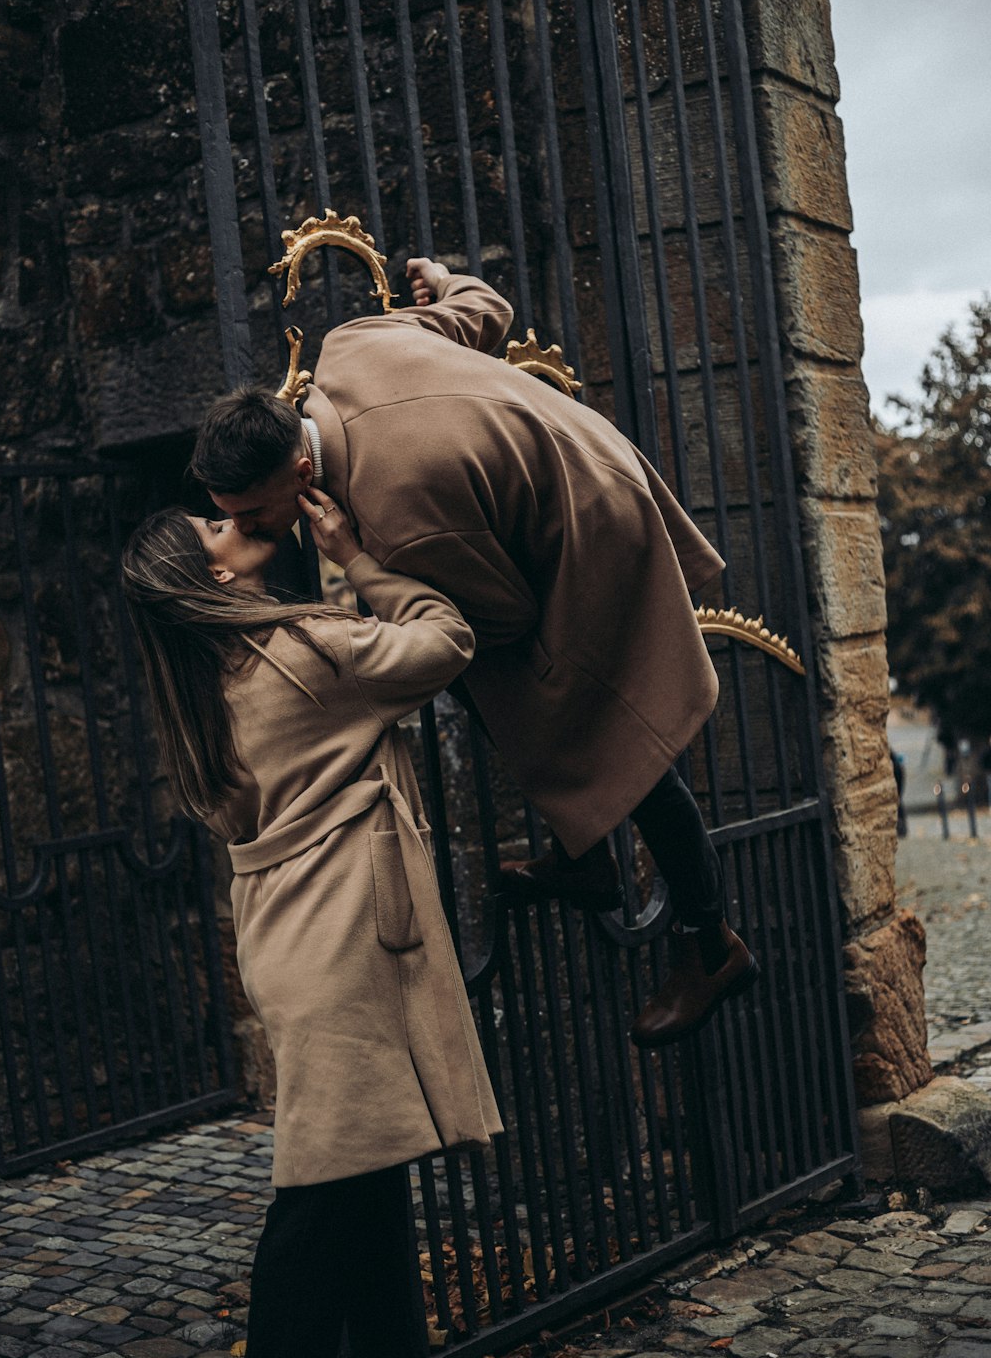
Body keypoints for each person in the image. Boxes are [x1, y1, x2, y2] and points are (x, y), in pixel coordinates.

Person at [189, 259, 759, 1049]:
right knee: (528, 700)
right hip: (596, 466)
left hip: (595, 540)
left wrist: (362, 565)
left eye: (253, 514)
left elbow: (499, 619)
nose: (252, 532)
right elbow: (486, 310)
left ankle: (711, 943)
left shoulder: (398, 515)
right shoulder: (353, 343)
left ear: (300, 468)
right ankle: (587, 853)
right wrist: (442, 275)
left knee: (606, 724)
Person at [121, 495, 501, 1358]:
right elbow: (445, 639)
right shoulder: (305, 652)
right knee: (317, 1202)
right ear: (210, 574)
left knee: (364, 1187)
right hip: (346, 949)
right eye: (208, 528)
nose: (225, 522)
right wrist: (356, 558)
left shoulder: (197, 693)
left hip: (287, 944)